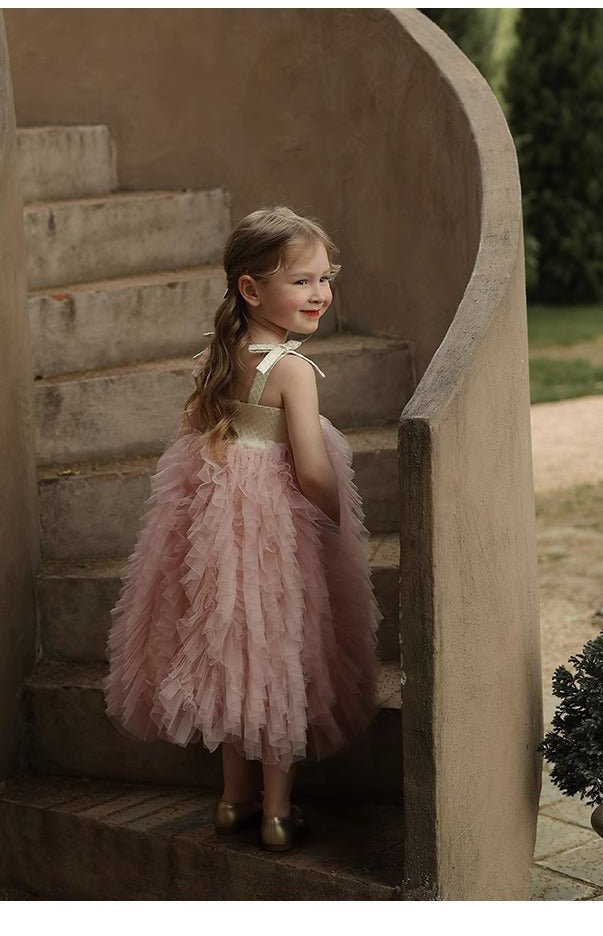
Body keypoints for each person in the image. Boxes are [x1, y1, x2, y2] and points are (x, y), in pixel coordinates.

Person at [103, 206, 382, 852]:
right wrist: (339, 525)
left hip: (219, 529)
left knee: (231, 654)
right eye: (302, 281)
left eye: (324, 277)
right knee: (278, 655)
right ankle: (279, 812)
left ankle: (233, 802)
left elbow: (197, 436)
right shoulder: (292, 371)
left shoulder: (221, 354)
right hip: (274, 533)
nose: (320, 294)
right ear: (252, 290)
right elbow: (311, 470)